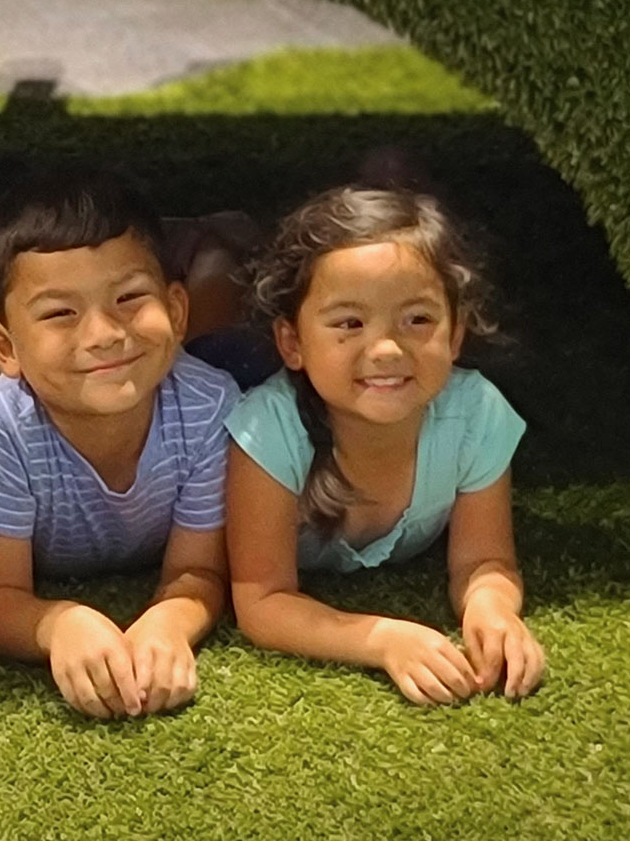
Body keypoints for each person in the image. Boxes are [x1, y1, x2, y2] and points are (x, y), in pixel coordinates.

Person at [0, 166, 245, 720]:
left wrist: (170, 622)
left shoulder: (211, 406)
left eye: (129, 297)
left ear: (176, 311)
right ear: (5, 347)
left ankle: (218, 245)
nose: (104, 333)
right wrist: (58, 625)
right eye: (61, 312)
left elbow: (200, 571)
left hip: (64, 371)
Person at [223, 184, 547, 705]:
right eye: (349, 323)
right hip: (229, 361)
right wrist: (381, 640)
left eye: (417, 319)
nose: (387, 349)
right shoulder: (268, 428)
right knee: (216, 328)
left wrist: (492, 610)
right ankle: (212, 245)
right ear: (293, 343)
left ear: (456, 333)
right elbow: (262, 601)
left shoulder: (475, 413)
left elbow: (484, 561)